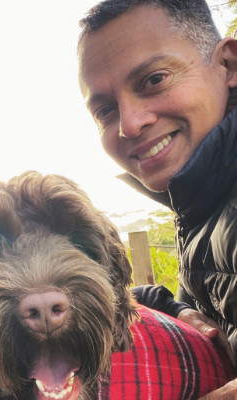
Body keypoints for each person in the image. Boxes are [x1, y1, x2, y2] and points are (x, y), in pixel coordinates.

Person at [77, 0, 237, 398]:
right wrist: (169, 304)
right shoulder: (202, 200)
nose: (130, 124)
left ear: (229, 66)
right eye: (105, 110)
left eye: (154, 80)